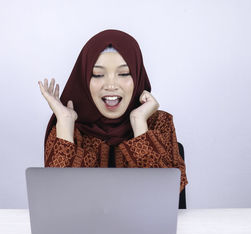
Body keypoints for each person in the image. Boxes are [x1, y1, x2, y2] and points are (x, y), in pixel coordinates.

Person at [38, 29, 188, 193]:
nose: (110, 85)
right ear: (84, 79)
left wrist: (139, 124)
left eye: (123, 73)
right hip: (85, 220)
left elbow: (165, 192)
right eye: (97, 74)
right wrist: (65, 124)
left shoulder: (158, 123)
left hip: (142, 220)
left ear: (137, 76)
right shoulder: (68, 127)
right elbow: (57, 198)